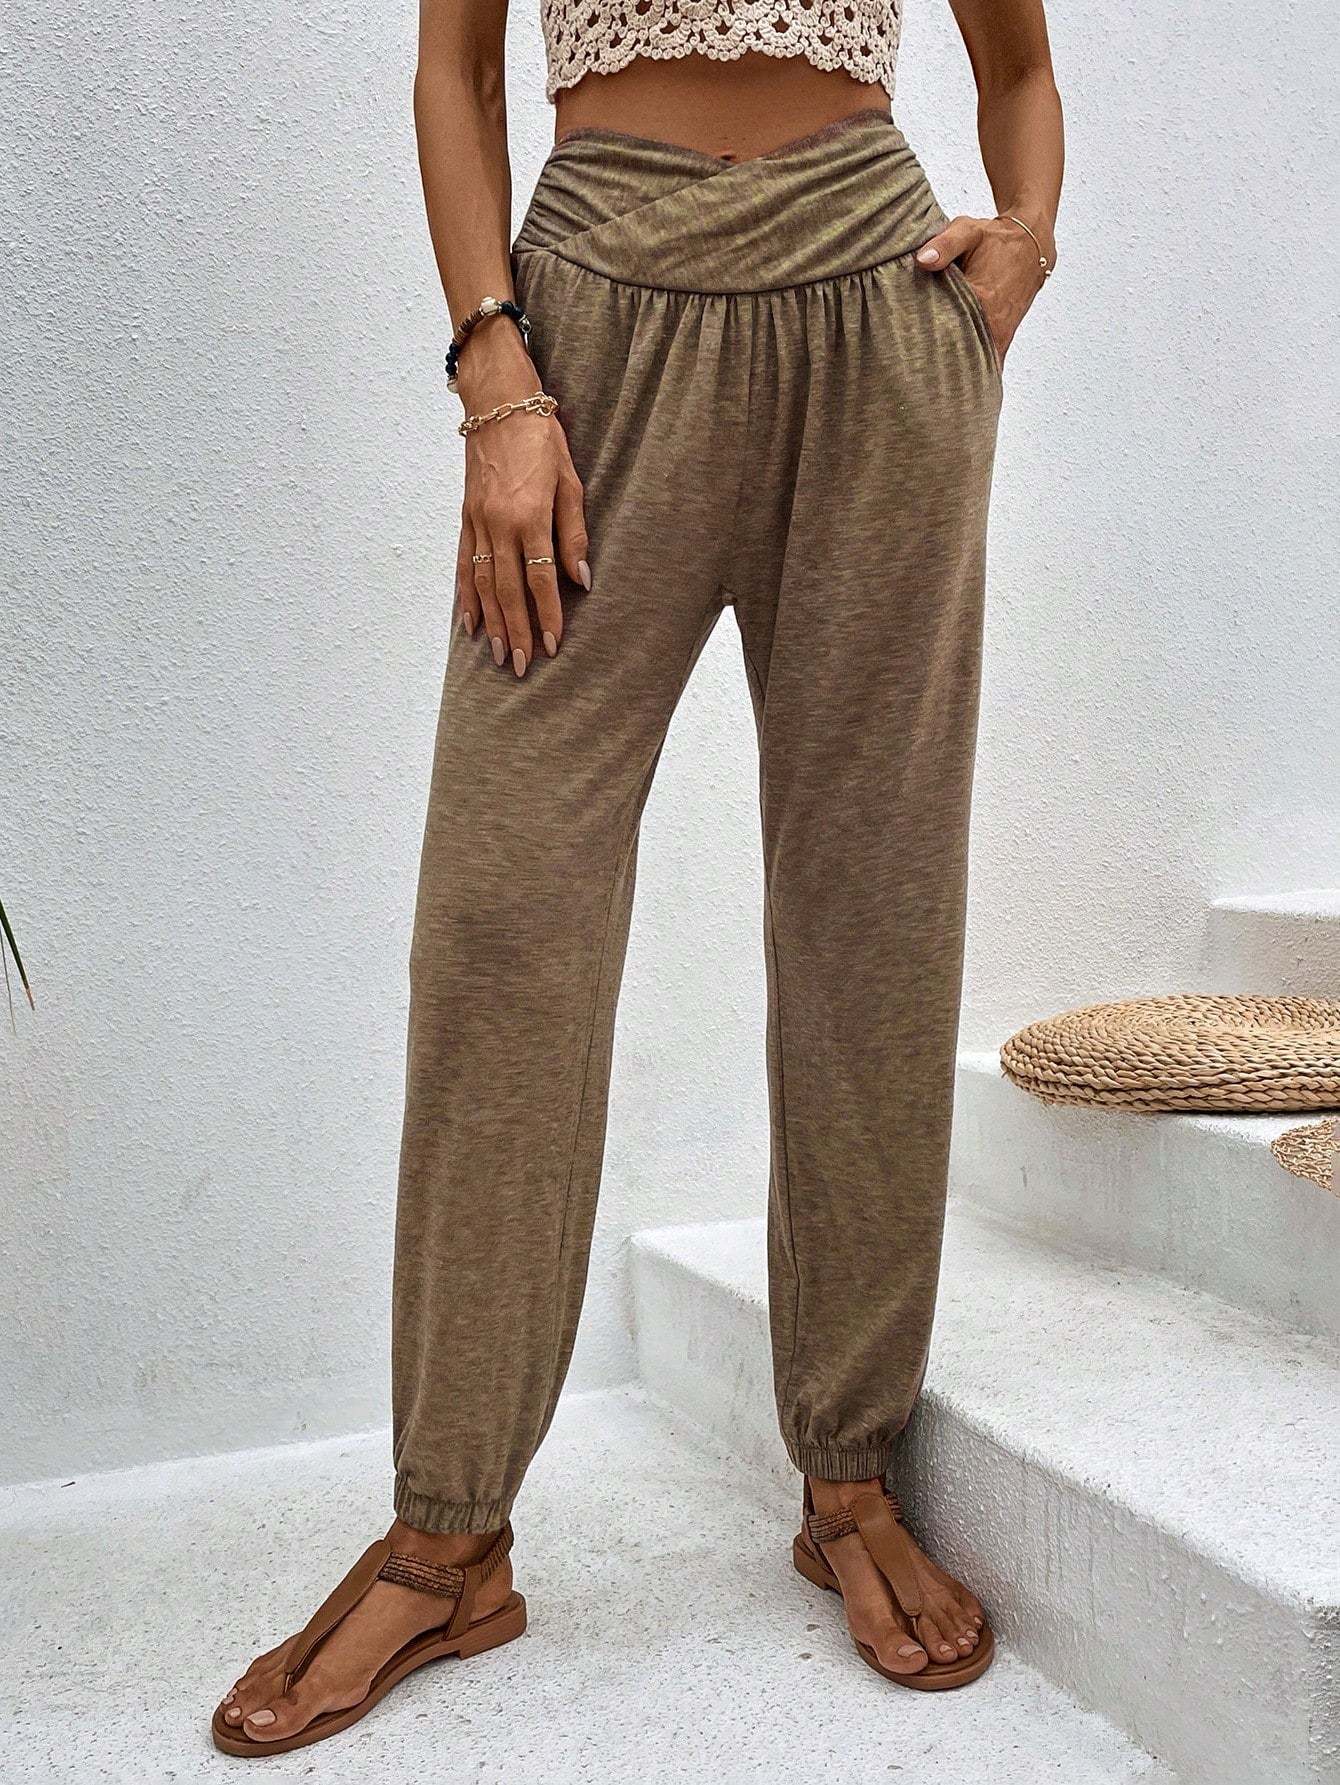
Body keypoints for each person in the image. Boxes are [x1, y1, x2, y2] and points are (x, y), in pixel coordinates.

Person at [213, 0, 1063, 1755]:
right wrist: (495, 374)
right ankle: (450, 1531)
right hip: (590, 322)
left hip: (877, 305)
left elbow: (1020, 64)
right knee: (502, 921)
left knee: (872, 911)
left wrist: (1027, 238)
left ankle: (850, 1475)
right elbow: (454, 68)